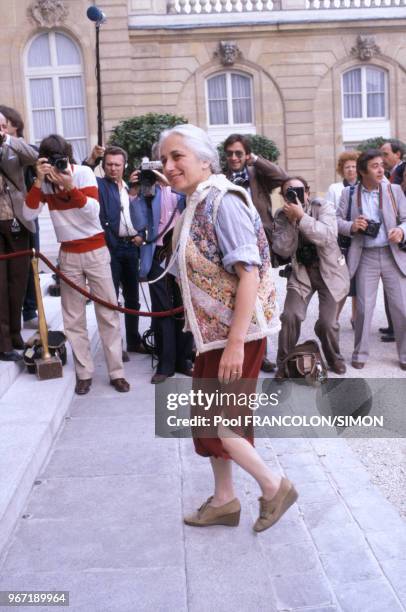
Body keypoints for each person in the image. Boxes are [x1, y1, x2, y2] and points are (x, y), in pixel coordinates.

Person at [159, 123, 297, 532]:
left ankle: (275, 487)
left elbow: (249, 273)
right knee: (207, 419)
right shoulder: (196, 202)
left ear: (205, 160)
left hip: (237, 333)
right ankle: (224, 501)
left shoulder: (223, 201)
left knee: (223, 422)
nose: (168, 166)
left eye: (177, 156)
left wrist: (236, 343)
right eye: (165, 159)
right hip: (214, 334)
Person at [23, 134, 130, 394]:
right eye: (51, 162)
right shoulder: (45, 183)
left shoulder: (82, 173)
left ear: (69, 157)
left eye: (61, 160)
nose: (57, 166)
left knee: (108, 312)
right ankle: (84, 373)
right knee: (73, 318)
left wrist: (69, 187)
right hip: (68, 253)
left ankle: (116, 372)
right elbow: (28, 215)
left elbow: (93, 212)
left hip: (95, 249)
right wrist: (38, 180)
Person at [223, 133, 288, 373]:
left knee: (260, 300)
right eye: (230, 153)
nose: (233, 157)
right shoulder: (222, 178)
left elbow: (282, 178)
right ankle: (238, 349)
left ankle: (262, 355)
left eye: (238, 153)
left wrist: (256, 160)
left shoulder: (256, 175)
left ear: (246, 154)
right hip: (233, 246)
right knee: (239, 301)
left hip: (259, 244)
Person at [337, 149, 406, 371]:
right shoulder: (349, 194)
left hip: (391, 254)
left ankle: (404, 355)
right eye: (375, 166)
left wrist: (401, 231)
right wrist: (351, 226)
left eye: (381, 165)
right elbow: (336, 221)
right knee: (364, 309)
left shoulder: (394, 190)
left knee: (401, 308)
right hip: (365, 255)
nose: (381, 169)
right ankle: (360, 353)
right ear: (362, 171)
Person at [275, 177, 349, 376]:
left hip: (330, 273)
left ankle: (335, 358)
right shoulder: (282, 216)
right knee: (290, 315)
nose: (294, 195)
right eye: (288, 192)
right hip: (302, 274)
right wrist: (292, 222)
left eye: (298, 191)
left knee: (328, 323)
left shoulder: (323, 207)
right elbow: (281, 249)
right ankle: (283, 362)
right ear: (283, 196)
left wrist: (302, 217)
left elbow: (327, 237)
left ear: (307, 192)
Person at [132, 147, 194, 384]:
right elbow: (139, 223)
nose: (162, 167)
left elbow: (190, 205)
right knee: (162, 310)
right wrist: (137, 192)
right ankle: (166, 363)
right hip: (158, 253)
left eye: (165, 162)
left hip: (184, 252)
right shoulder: (148, 190)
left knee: (186, 307)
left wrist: (169, 183)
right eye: (158, 163)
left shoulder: (183, 185)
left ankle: (185, 359)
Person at [97, 145, 146, 356]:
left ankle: (134, 342)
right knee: (112, 299)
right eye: (109, 164)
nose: (113, 168)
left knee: (133, 298)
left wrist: (142, 234)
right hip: (112, 247)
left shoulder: (132, 188)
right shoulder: (99, 185)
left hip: (132, 247)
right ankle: (116, 345)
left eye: (117, 164)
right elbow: (82, 173)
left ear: (124, 166)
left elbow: (144, 215)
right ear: (103, 165)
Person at [0, 111, 38, 361]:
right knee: (0, 286)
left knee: (18, 282)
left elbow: (35, 156)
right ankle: (3, 341)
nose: (1, 129)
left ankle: (15, 334)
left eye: (3, 126)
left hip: (16, 221)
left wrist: (7, 140)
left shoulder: (14, 147)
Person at [325, 150, 359, 327]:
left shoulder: (364, 186)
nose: (351, 170)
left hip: (360, 239)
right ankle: (334, 318)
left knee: (358, 282)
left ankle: (355, 318)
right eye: (347, 167)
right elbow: (328, 212)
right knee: (342, 279)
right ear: (341, 169)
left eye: (354, 166)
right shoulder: (335, 188)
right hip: (341, 239)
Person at [379, 139, 406, 342]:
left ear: (398, 154)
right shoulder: (389, 174)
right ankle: (394, 327)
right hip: (395, 235)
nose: (383, 157)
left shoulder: (401, 171)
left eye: (386, 153)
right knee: (392, 288)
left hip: (401, 231)